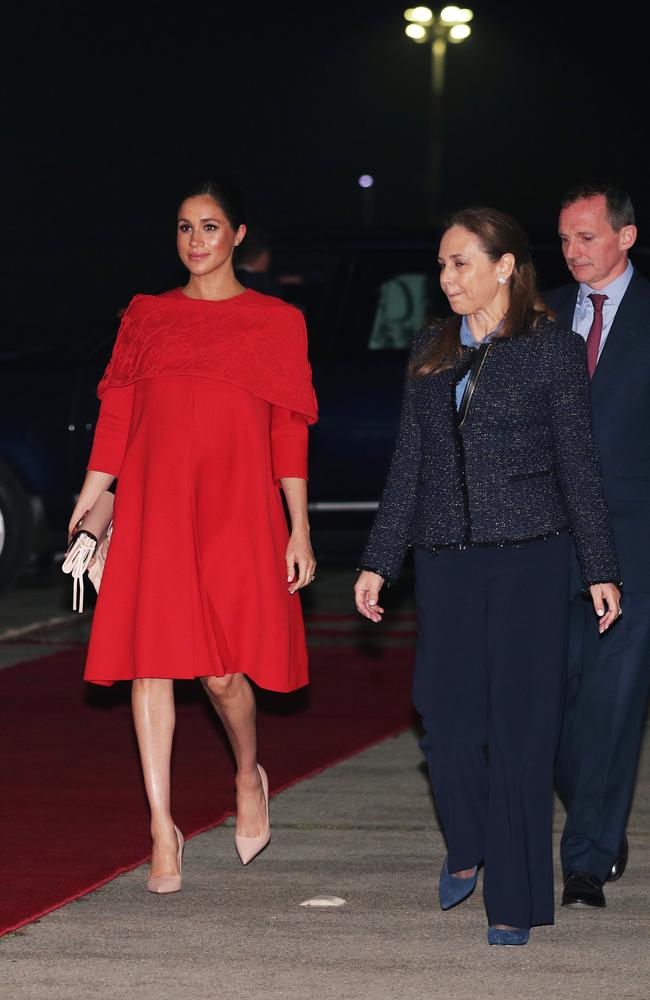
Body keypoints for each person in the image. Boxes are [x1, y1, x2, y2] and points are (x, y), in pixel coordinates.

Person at [354, 206, 621, 946]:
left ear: (505, 266)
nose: (446, 278)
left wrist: (600, 567)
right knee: (442, 719)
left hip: (532, 557)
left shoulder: (553, 351)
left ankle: (514, 896)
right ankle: (467, 842)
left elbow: (579, 467)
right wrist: (380, 559)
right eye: (441, 264)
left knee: (522, 730)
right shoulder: (431, 348)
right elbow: (409, 463)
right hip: (446, 561)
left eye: (460, 262)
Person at [69, 178, 318, 893]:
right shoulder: (146, 316)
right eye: (184, 227)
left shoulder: (277, 321)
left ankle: (247, 774)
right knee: (151, 664)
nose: (196, 241)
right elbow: (117, 419)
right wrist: (90, 504)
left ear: (238, 235)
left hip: (238, 509)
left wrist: (298, 528)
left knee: (222, 674)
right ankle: (161, 827)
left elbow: (287, 433)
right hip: (155, 507)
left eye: (210, 227)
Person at [547, 182, 650, 908]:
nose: (573, 252)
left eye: (586, 237)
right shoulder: (542, 314)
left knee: (613, 703)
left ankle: (586, 857)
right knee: (552, 705)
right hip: (548, 545)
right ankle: (596, 816)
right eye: (564, 239)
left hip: (637, 545)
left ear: (626, 237)